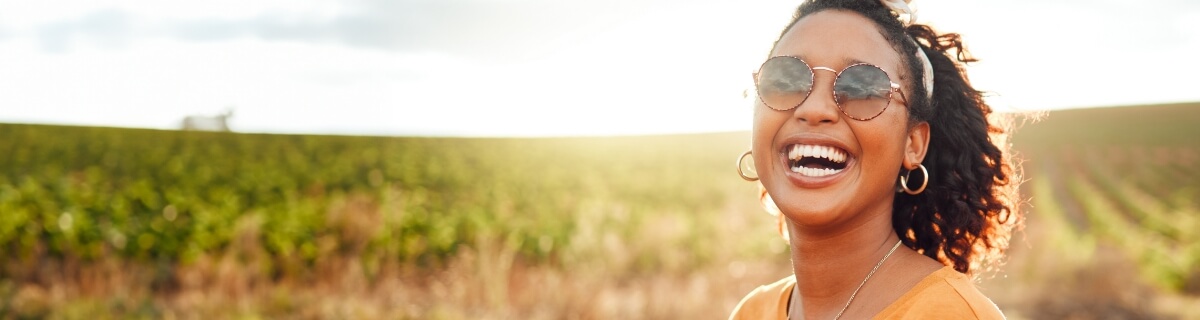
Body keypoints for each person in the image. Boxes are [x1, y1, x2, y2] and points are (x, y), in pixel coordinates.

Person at [730, 0, 1021, 319]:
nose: (814, 110)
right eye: (784, 79)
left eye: (863, 87)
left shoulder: (951, 314)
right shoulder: (752, 312)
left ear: (913, 144)